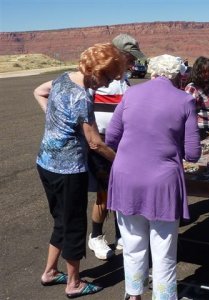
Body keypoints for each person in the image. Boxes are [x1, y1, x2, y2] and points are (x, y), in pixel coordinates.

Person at [106, 54, 201, 300]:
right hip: (162, 184)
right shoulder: (185, 100)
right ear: (178, 76)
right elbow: (192, 153)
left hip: (125, 178)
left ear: (153, 72)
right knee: (163, 252)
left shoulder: (131, 94)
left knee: (132, 246)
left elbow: (111, 138)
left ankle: (133, 294)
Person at [34, 43, 125, 298]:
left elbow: (38, 92)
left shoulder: (62, 79)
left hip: (45, 163)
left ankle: (50, 272)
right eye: (106, 76)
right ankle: (73, 283)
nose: (106, 83)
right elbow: (95, 142)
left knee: (60, 220)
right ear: (94, 69)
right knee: (74, 225)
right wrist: (120, 160)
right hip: (68, 171)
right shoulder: (82, 96)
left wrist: (54, 121)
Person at [87, 34, 146, 261]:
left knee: (121, 190)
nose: (133, 63)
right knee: (105, 193)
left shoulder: (124, 80)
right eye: (130, 57)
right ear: (118, 54)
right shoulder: (97, 77)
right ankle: (96, 236)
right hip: (100, 144)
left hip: (123, 142)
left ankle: (121, 234)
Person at [185, 56, 209, 140]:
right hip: (200, 130)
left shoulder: (208, 87)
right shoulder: (192, 88)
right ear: (198, 72)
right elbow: (186, 112)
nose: (207, 74)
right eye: (204, 71)